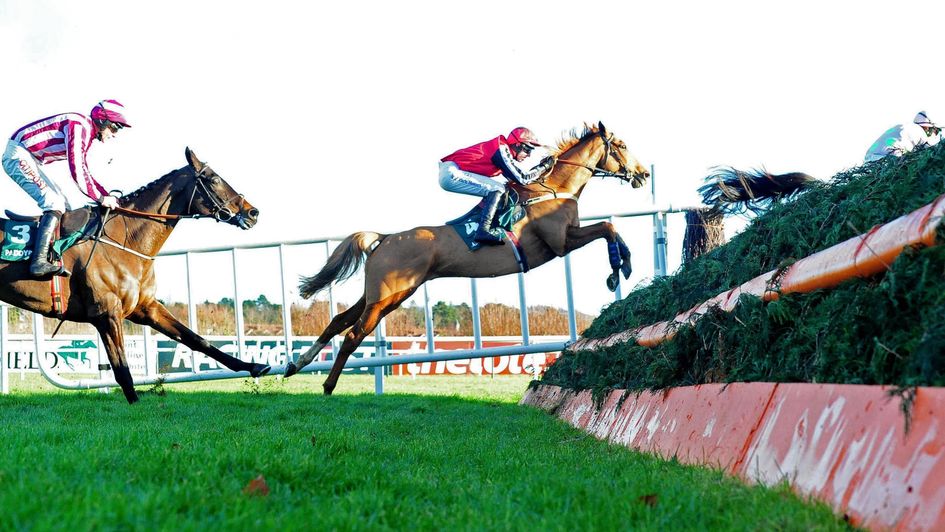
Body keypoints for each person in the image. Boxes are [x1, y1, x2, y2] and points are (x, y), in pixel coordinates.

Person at [2, 99, 130, 277]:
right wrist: (101, 199)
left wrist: (104, 194)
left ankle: (50, 253)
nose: (115, 134)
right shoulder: (80, 127)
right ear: (103, 120)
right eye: (115, 128)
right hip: (18, 155)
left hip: (29, 157)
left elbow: (83, 169)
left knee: (67, 205)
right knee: (54, 203)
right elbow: (77, 169)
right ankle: (38, 262)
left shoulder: (85, 129)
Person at [439, 127, 555, 244]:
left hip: (453, 171)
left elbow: (516, 178)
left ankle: (484, 224)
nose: (529, 155)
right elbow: (522, 179)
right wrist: (544, 167)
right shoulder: (501, 149)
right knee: (497, 188)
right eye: (528, 150)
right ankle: (483, 230)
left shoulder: (502, 151)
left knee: (499, 188)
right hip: (452, 172)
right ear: (518, 144)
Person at [864, 111, 941, 163]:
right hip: (887, 160)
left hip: (869, 159)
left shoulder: (903, 126)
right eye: (935, 131)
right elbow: (929, 151)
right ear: (928, 127)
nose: (934, 134)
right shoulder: (920, 132)